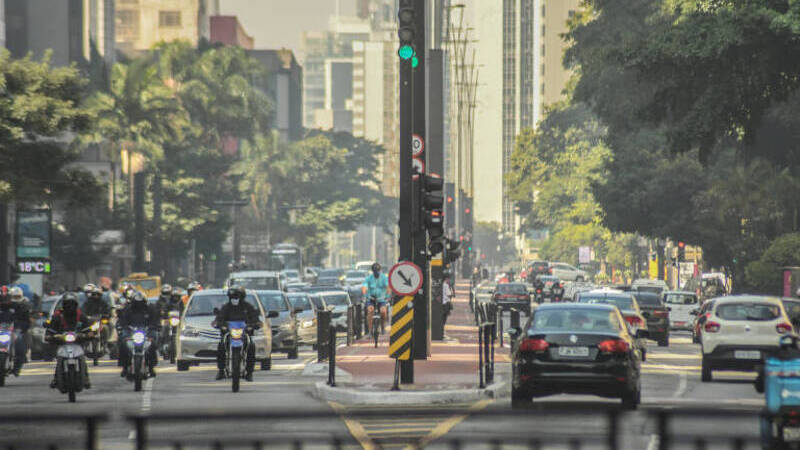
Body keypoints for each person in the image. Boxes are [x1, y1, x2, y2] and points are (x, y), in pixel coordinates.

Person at [213, 285, 260, 381]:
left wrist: (253, 324)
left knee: (251, 346)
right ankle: (221, 370)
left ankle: (250, 372)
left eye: (237, 296)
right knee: (221, 345)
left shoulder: (248, 307)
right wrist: (221, 324)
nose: (235, 299)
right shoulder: (226, 307)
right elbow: (220, 318)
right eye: (233, 297)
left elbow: (255, 317)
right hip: (229, 333)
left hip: (244, 333)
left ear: (242, 297)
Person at [46, 293, 91, 389]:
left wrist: (88, 334)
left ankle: (86, 377)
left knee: (82, 357)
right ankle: (56, 378)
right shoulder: (57, 317)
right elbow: (50, 331)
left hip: (77, 342)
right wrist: (50, 336)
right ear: (63, 305)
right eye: (67, 304)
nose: (70, 307)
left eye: (72, 304)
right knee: (59, 359)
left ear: (76, 305)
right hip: (62, 343)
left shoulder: (81, 316)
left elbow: (88, 330)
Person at [117, 291, 159, 378]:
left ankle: (151, 367)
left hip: (146, 330)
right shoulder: (128, 309)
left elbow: (155, 319)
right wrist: (123, 326)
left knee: (153, 344)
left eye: (141, 303)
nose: (139, 305)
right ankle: (124, 367)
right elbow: (123, 320)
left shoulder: (150, 309)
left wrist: (155, 326)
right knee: (123, 343)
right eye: (137, 303)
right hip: (131, 331)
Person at [0, 289, 30, 376]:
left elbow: (25, 320)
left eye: (6, 298)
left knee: (20, 345)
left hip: (13, 331)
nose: (4, 300)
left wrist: (20, 328)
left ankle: (17, 368)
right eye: (2, 298)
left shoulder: (19, 307)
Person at [361, 262, 390, 335]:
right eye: (375, 271)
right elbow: (364, 286)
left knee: (383, 311)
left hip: (382, 299)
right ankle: (370, 331)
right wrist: (365, 292)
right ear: (372, 271)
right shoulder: (368, 278)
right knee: (370, 311)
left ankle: (383, 328)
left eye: (377, 271)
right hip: (371, 298)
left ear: (380, 270)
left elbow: (388, 287)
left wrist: (388, 296)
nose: (376, 273)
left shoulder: (384, 277)